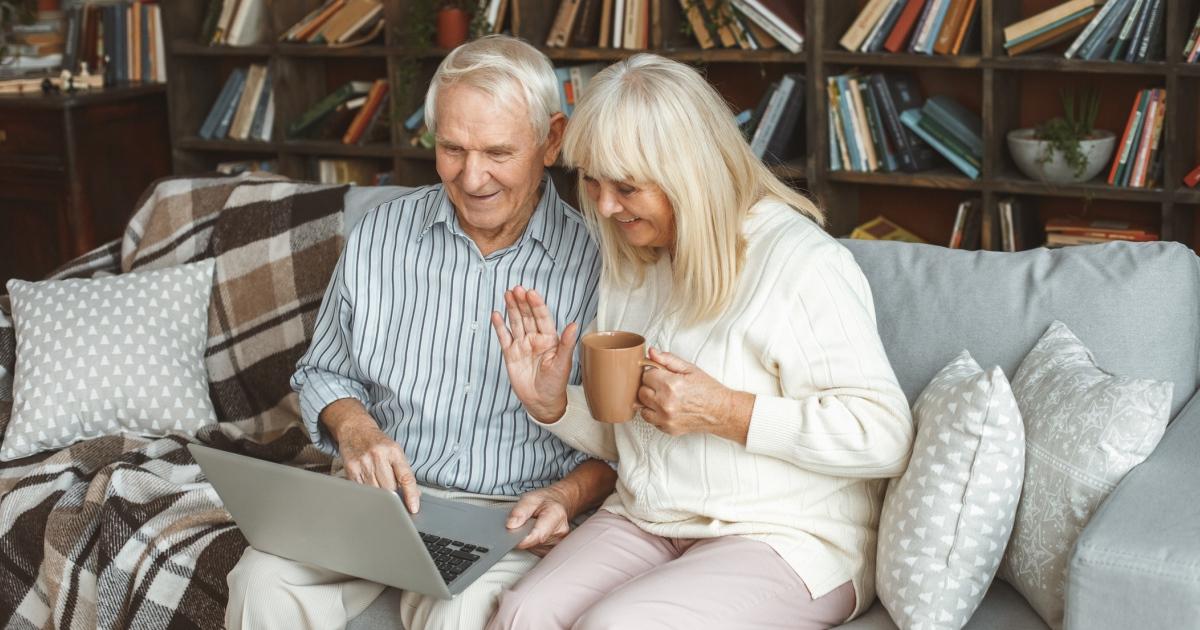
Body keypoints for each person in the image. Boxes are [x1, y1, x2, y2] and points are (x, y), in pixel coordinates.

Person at [486, 54, 915, 630]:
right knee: (520, 613)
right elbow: (633, 441)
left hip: (787, 537)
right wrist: (554, 405)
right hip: (653, 519)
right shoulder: (635, 259)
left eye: (627, 186)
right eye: (591, 179)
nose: (605, 206)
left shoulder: (802, 264)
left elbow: (885, 436)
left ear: (687, 171)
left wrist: (727, 412)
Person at [224, 35, 616, 630]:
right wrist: (355, 429)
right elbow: (324, 370)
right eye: (452, 148)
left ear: (552, 139)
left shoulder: (602, 260)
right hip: (378, 503)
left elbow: (627, 442)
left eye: (498, 152)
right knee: (261, 583)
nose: (473, 176)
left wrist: (567, 498)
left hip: (504, 516)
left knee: (461, 612)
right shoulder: (381, 235)